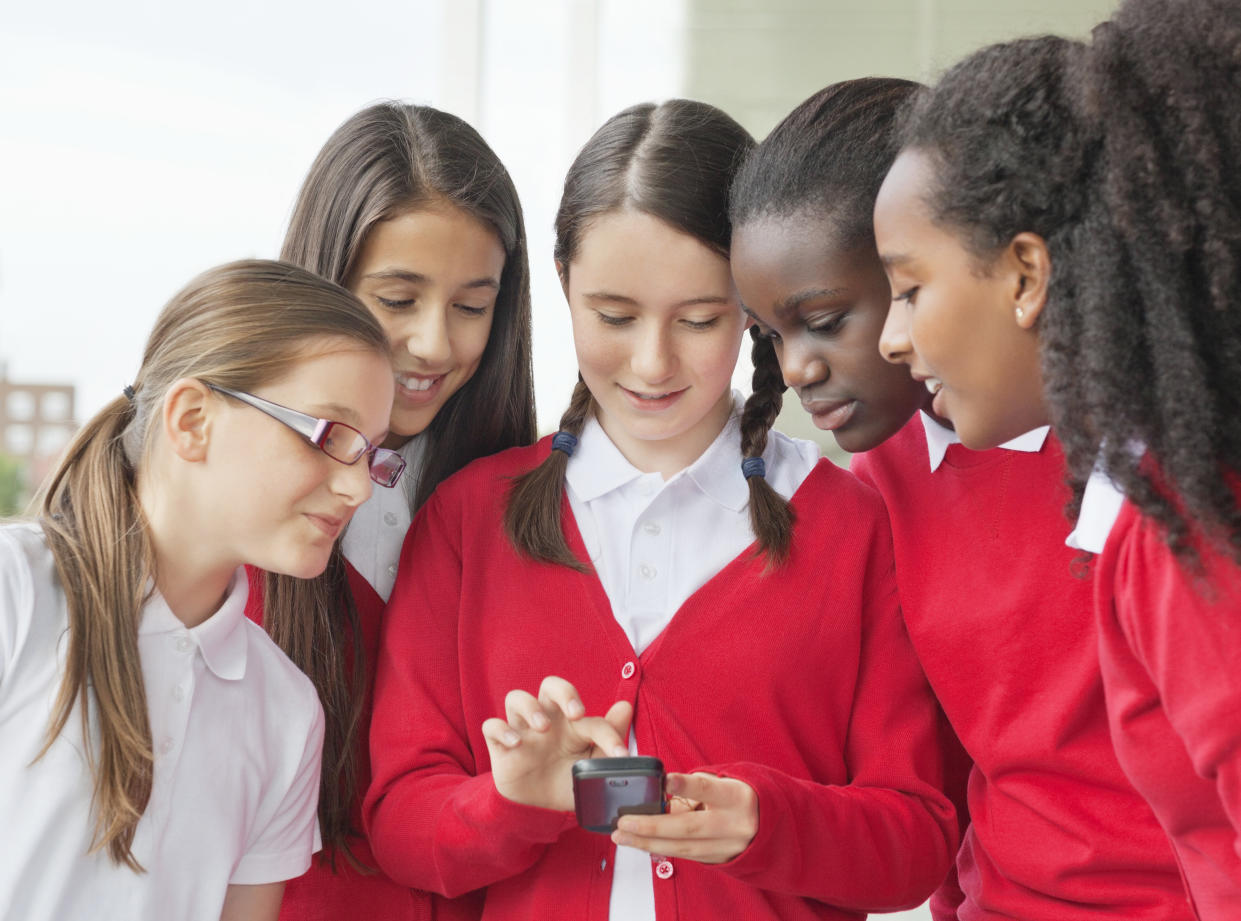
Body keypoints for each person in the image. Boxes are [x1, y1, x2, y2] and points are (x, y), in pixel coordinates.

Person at [365, 98, 956, 921]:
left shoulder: (852, 528)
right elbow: (399, 826)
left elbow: (917, 841)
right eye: (613, 315)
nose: (651, 362)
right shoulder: (467, 520)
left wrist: (768, 822)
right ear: (563, 283)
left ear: (750, 307)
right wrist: (512, 801)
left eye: (701, 319)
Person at [731, 76, 1191, 920]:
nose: (794, 368)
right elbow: (933, 790)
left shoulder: (1159, 464)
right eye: (770, 334)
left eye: (828, 318)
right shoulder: (876, 492)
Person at [872, 5, 1240, 915]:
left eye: (909, 288)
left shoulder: (1184, 522)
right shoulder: (1157, 486)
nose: (890, 337)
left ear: (1027, 275)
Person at [0, 259, 399, 921]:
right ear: (191, 420)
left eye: (371, 453)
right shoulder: (17, 593)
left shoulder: (286, 714)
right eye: (330, 435)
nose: (358, 487)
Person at [249, 101, 536, 920]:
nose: (434, 343)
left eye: (472, 305)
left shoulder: (524, 505)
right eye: (397, 298)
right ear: (323, 281)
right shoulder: (236, 514)